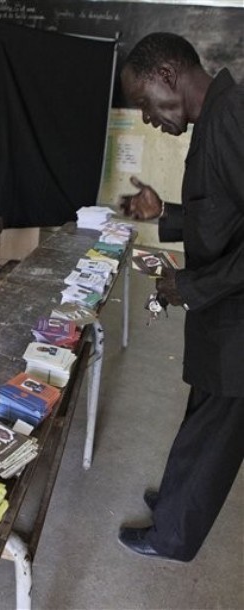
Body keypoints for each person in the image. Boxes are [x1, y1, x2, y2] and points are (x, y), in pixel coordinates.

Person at [117, 32, 244, 562]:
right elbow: (224, 212)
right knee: (201, 414)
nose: (147, 117)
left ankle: (172, 534)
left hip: (237, 318)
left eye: (145, 102)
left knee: (214, 435)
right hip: (224, 310)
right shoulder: (216, 116)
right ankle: (175, 499)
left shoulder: (233, 117)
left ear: (167, 75)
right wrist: (163, 213)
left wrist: (189, 286)